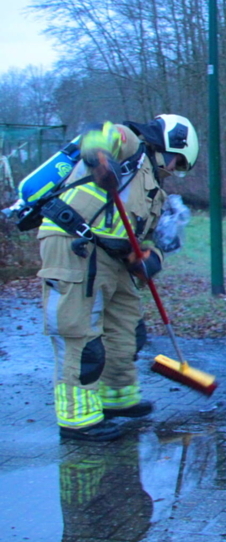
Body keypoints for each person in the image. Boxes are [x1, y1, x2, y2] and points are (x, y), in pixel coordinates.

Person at [38, 114, 199, 442]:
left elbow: (148, 239)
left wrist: (150, 258)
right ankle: (77, 418)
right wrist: (101, 162)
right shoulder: (131, 144)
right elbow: (97, 135)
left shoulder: (155, 190)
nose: (173, 169)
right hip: (74, 243)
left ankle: (117, 397)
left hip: (113, 257)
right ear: (169, 144)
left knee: (127, 327)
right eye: (176, 161)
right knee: (79, 332)